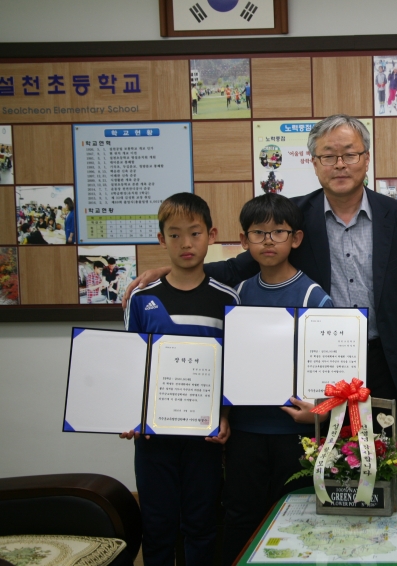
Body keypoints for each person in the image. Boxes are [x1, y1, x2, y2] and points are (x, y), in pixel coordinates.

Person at [124, 115, 397, 444]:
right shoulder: (293, 216)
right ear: (314, 163)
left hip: (383, 359)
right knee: (326, 466)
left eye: (350, 154)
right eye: (328, 156)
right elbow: (239, 266)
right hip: (317, 364)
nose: (339, 164)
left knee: (383, 460)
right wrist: (169, 271)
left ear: (366, 158)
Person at [121, 192, 238, 566]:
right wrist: (128, 413)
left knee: (201, 524)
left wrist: (225, 416)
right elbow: (130, 365)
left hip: (203, 437)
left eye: (194, 233)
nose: (185, 243)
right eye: (174, 235)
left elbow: (235, 369)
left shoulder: (229, 298)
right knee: (157, 526)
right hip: (154, 437)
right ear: (161, 240)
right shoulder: (142, 299)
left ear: (211, 235)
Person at [221, 192, 333, 565]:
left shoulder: (315, 297)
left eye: (279, 232)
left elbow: (332, 370)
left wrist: (319, 412)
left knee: (298, 515)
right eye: (258, 233)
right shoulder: (239, 294)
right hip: (246, 431)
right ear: (244, 241)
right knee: (241, 515)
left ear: (296, 239)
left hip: (296, 432)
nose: (268, 241)